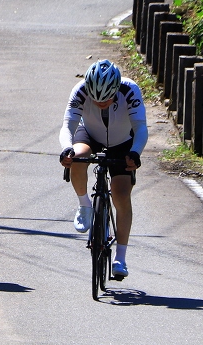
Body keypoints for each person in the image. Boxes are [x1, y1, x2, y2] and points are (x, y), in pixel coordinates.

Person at [58, 59, 147, 280]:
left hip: (123, 141)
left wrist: (135, 153)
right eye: (96, 100)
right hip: (90, 134)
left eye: (106, 99)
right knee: (77, 158)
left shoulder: (130, 90)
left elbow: (141, 128)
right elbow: (67, 126)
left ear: (115, 89)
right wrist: (66, 149)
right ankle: (85, 206)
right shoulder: (80, 91)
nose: (101, 104)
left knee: (121, 194)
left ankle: (120, 258)